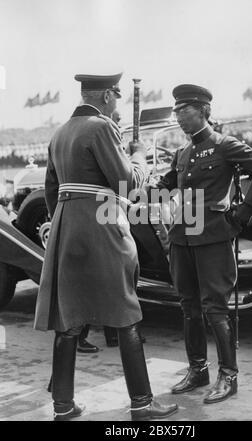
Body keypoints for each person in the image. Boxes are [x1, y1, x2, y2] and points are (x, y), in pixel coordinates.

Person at [34, 72, 178, 421]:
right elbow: (127, 182)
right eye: (116, 95)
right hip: (103, 228)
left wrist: (68, 222)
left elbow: (52, 190)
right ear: (105, 96)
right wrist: (139, 156)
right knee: (126, 313)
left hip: (68, 231)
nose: (119, 102)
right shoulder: (101, 127)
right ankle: (142, 403)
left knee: (68, 320)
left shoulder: (60, 133)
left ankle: (63, 407)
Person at [155, 84, 252, 404]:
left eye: (186, 111)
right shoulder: (183, 153)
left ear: (203, 111)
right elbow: (172, 182)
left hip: (213, 238)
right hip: (182, 239)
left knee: (216, 309)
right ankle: (198, 369)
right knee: (188, 307)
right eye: (177, 111)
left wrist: (241, 215)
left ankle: (229, 375)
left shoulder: (224, 145)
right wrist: (158, 182)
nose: (180, 117)